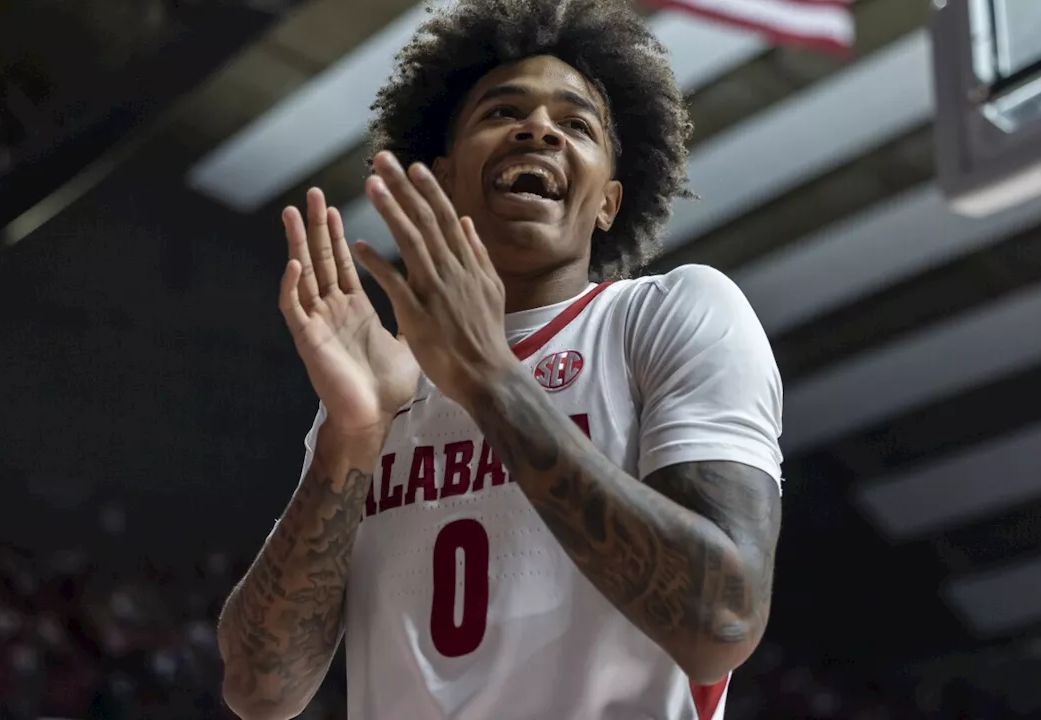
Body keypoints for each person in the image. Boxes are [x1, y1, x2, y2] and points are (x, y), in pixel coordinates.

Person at [216, 0, 784, 718]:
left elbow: (720, 624)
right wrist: (351, 432)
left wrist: (490, 378)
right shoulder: (380, 389)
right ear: (447, 176)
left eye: (576, 124)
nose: (539, 128)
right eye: (500, 111)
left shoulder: (670, 313)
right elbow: (259, 689)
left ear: (609, 201)